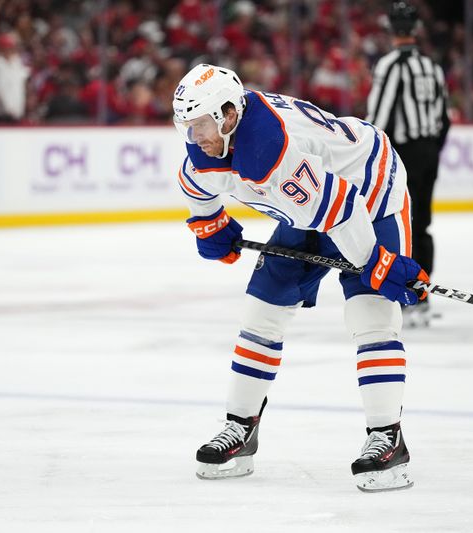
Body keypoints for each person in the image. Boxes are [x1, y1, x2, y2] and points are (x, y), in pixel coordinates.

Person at [172, 62, 430, 492]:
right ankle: (241, 429)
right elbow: (195, 186)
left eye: (200, 125)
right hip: (318, 201)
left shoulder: (272, 150)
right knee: (262, 310)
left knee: (371, 314)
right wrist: (210, 224)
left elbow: (344, 210)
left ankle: (387, 437)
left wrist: (376, 264)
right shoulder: (214, 145)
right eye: (187, 126)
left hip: (369, 190)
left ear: (229, 115)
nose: (194, 137)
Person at [364, 1, 449, 327]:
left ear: (391, 30)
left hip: (404, 154)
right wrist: (433, 149)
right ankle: (422, 296)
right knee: (422, 224)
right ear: (416, 30)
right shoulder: (432, 67)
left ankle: (406, 295)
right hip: (428, 151)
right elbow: (444, 119)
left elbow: (379, 117)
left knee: (402, 225)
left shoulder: (390, 65)